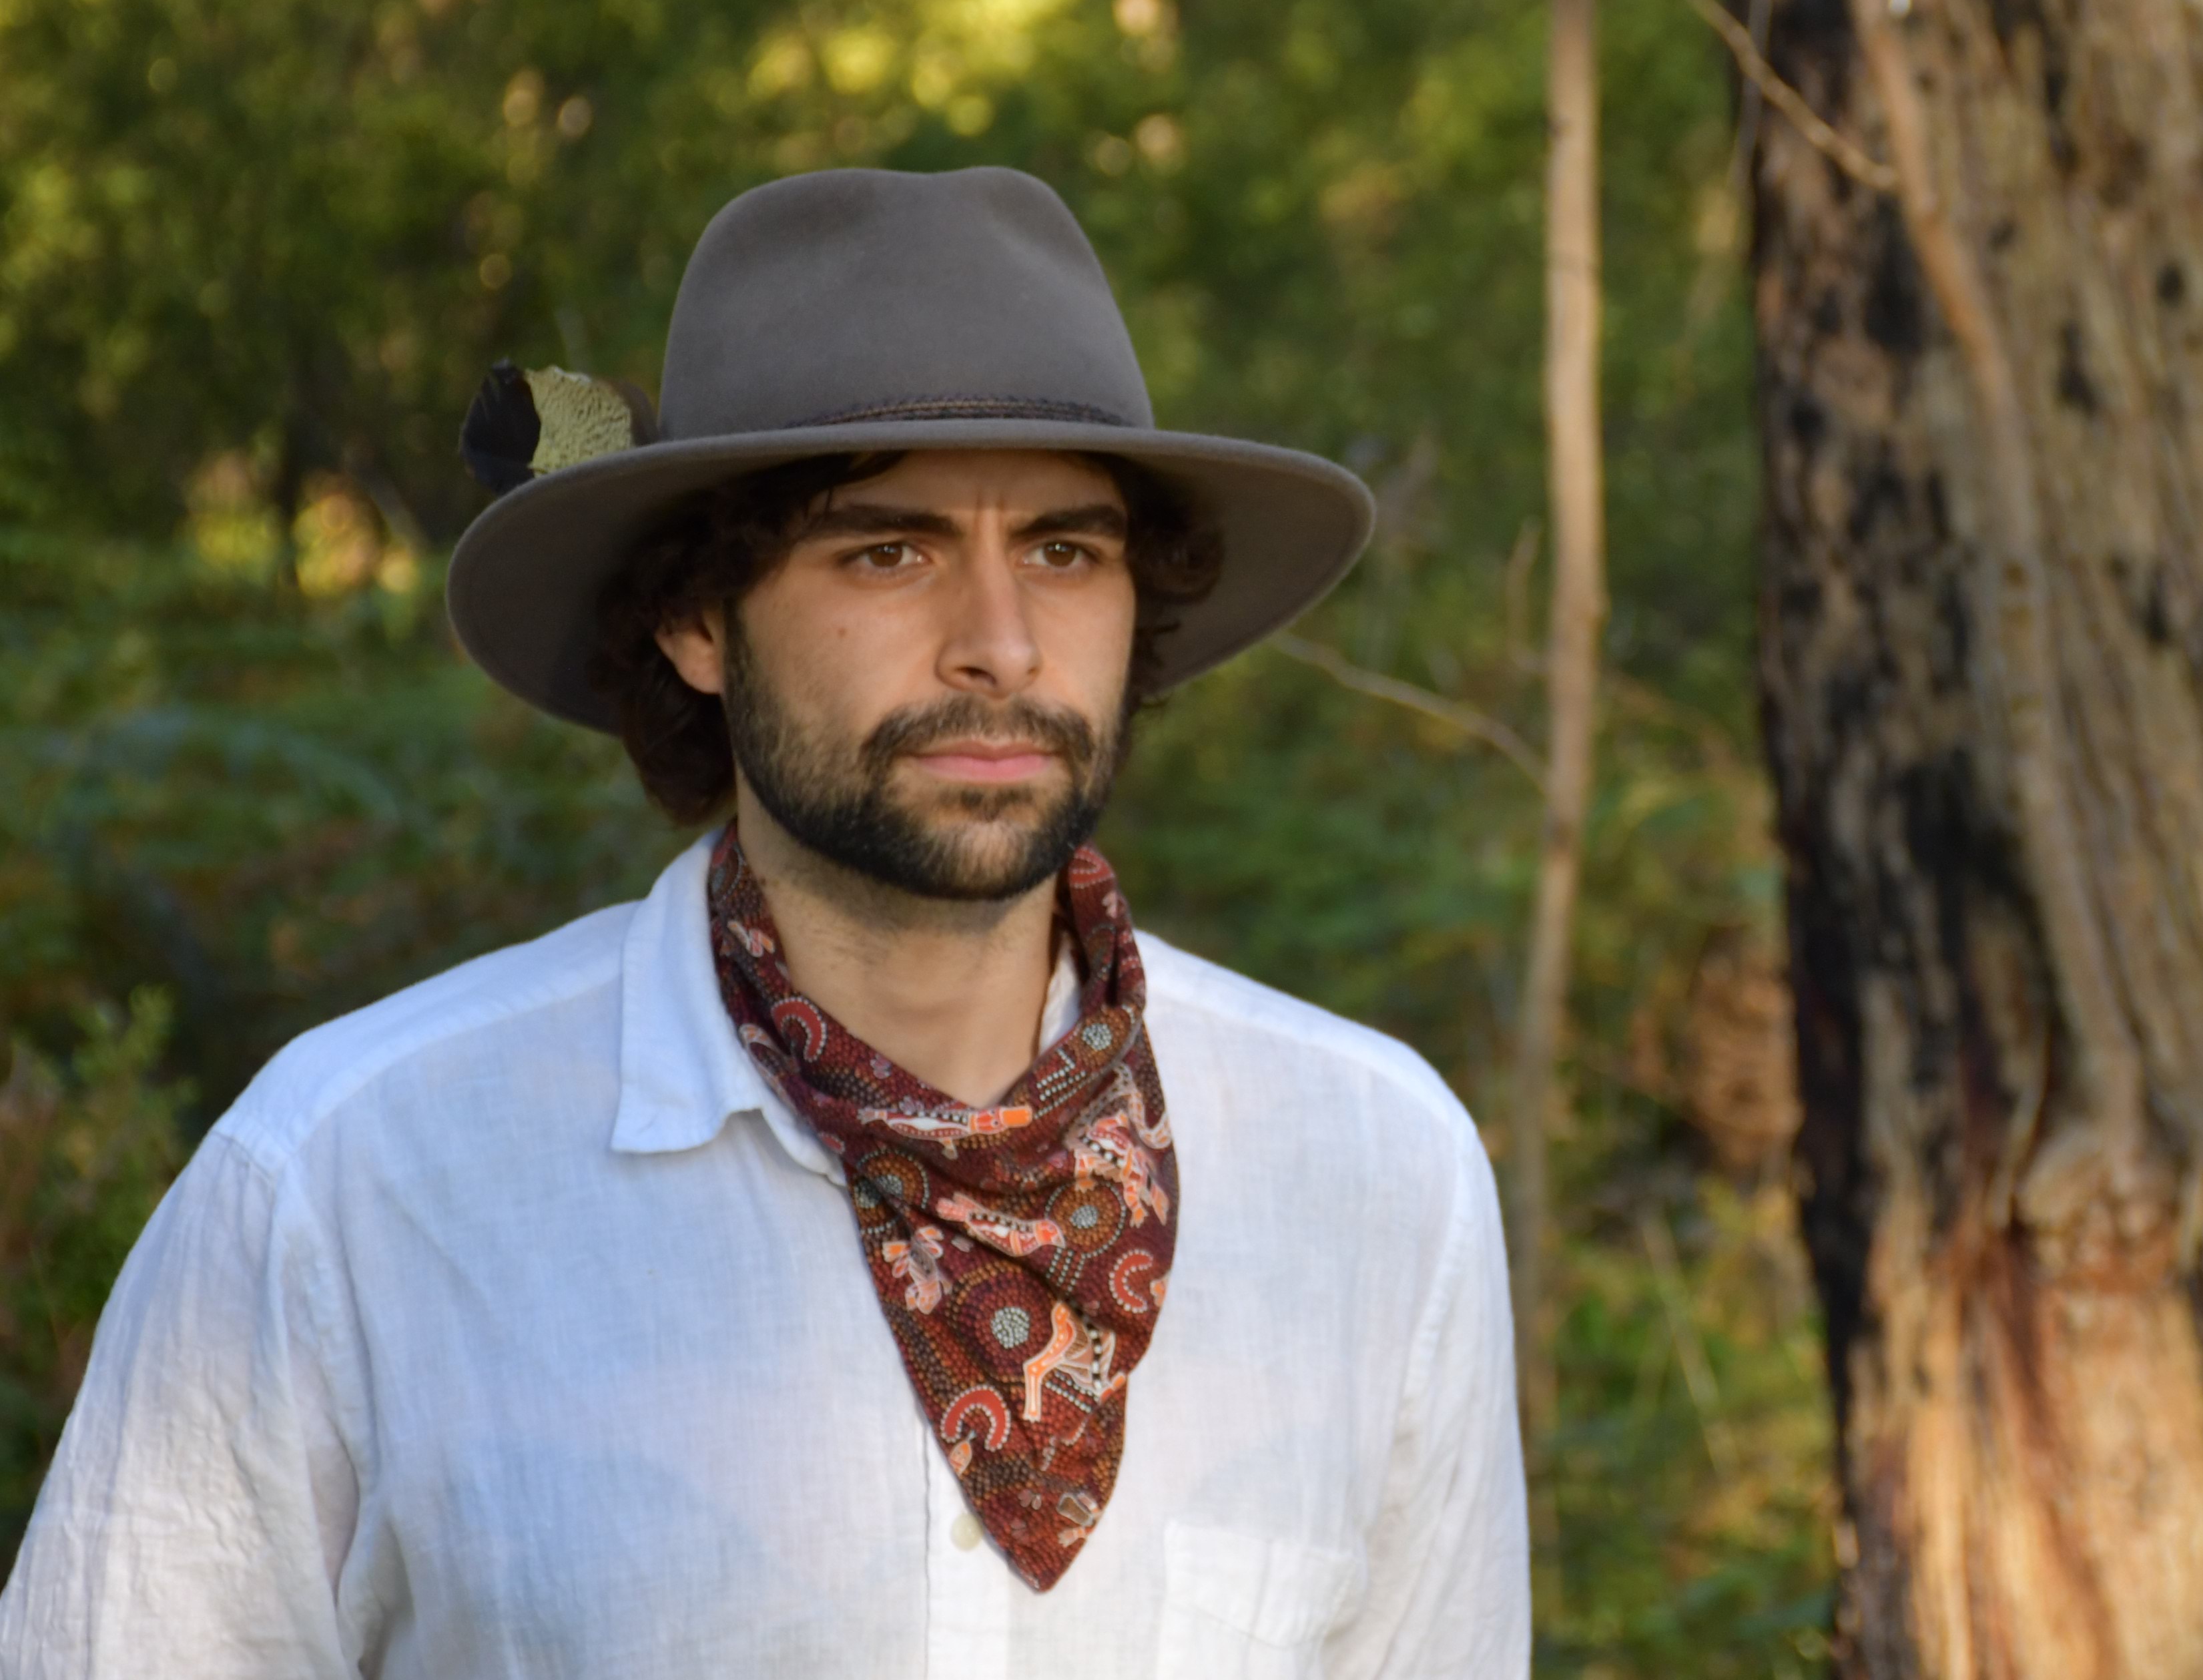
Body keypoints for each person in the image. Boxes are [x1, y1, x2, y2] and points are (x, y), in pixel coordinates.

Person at [0, 168, 1527, 1677]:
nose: (1002, 644)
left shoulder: (1376, 1174)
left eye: (1065, 549)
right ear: (695, 621)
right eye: (889, 548)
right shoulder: (353, 1185)